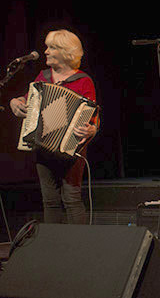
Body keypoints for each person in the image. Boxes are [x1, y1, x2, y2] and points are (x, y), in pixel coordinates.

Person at [10, 29, 98, 225]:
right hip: (43, 146)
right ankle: (54, 247)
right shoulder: (43, 76)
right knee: (50, 201)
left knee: (71, 199)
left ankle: (77, 248)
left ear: (65, 52)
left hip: (72, 148)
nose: (46, 52)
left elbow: (93, 116)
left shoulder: (83, 81)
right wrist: (15, 102)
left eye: (52, 48)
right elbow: (27, 101)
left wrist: (92, 129)